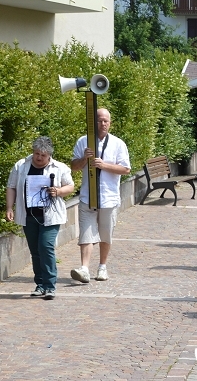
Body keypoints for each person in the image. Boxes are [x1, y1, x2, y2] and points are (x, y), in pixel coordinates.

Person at [6, 137, 75, 300]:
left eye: (42, 155)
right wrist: (9, 207)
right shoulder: (21, 165)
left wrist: (58, 191)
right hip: (29, 215)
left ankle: (50, 286)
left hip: (50, 216)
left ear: (49, 155)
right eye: (36, 153)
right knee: (35, 251)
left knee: (45, 246)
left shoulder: (59, 168)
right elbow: (11, 186)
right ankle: (40, 284)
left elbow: (70, 186)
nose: (38, 157)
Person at [70, 109, 131, 284]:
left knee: (105, 234)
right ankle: (84, 268)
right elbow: (73, 166)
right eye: (99, 121)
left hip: (109, 197)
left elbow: (126, 169)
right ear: (93, 122)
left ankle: (102, 266)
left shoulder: (118, 144)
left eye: (105, 121)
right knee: (86, 234)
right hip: (87, 197)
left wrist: (104, 165)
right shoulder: (83, 141)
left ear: (110, 123)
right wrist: (84, 160)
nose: (102, 124)